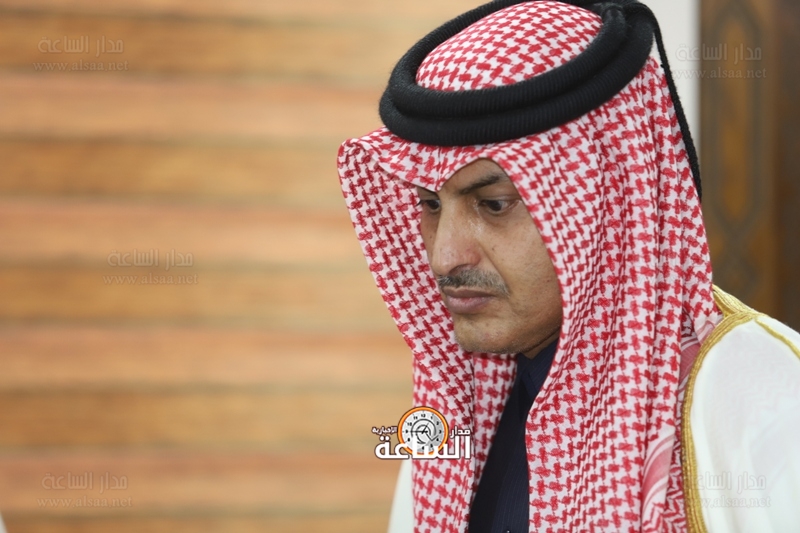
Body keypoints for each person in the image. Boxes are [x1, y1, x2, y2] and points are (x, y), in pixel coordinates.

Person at [336, 1, 800, 531]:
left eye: (494, 205)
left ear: (607, 197)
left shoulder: (766, 406)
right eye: (430, 204)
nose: (444, 256)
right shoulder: (455, 415)